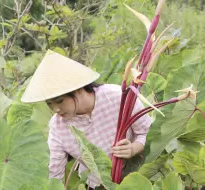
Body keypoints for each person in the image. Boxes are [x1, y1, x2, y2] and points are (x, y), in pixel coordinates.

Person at [21, 50, 152, 189]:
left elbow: (147, 133)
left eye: (59, 101)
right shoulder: (58, 126)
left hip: (138, 179)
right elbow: (54, 173)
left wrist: (134, 148)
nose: (56, 109)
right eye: (49, 104)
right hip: (98, 186)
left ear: (78, 89)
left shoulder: (118, 97)